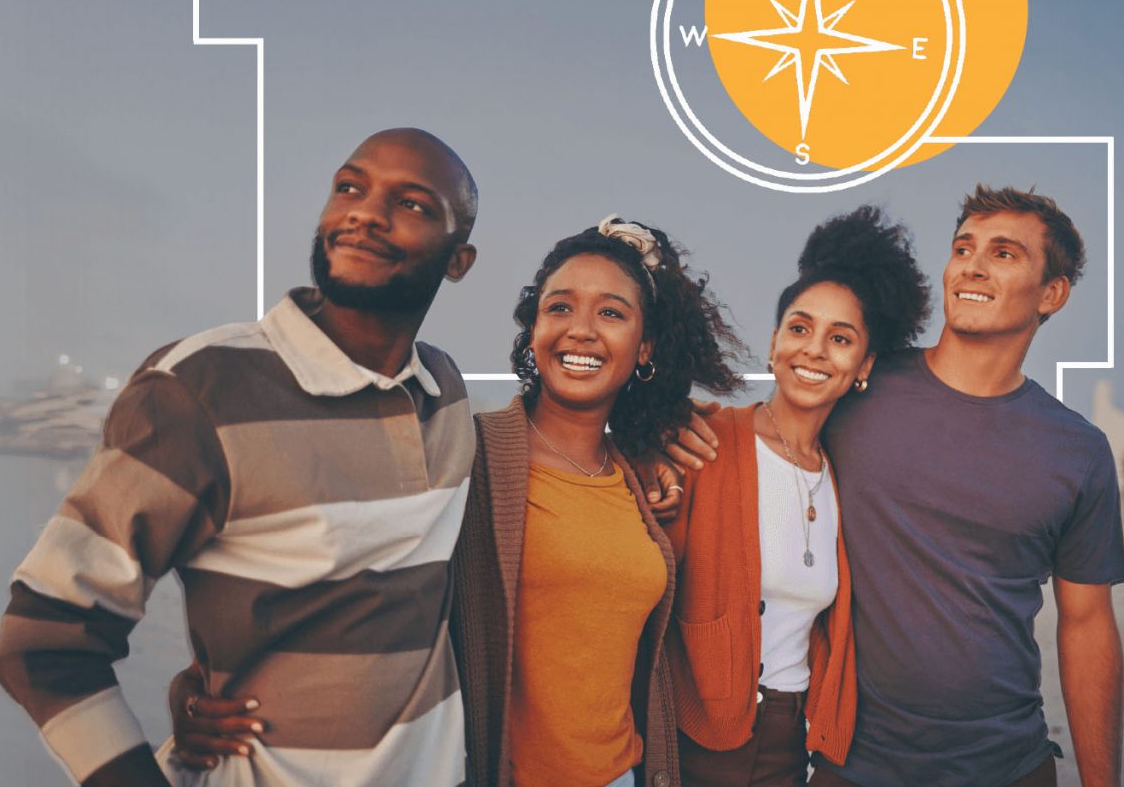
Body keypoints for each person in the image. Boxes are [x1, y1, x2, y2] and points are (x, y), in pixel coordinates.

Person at [0, 129, 484, 785]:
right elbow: (43, 644)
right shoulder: (199, 389)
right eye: (349, 187)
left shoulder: (443, 392)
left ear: (458, 261)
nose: (364, 211)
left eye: (413, 203)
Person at [176, 215, 742, 787]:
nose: (582, 330)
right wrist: (205, 676)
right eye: (560, 307)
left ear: (643, 347)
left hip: (624, 775)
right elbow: (339, 559)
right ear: (534, 329)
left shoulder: (638, 480)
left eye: (612, 313)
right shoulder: (463, 452)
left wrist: (657, 440)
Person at [666, 186, 1124, 787]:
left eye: (1004, 253)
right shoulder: (860, 390)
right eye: (963, 247)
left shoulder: (1078, 452)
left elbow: (1087, 624)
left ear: (1052, 293)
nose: (973, 265)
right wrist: (666, 431)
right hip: (853, 761)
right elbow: (768, 428)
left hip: (1009, 764)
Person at [665, 206, 929, 786]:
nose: (813, 350)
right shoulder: (702, 439)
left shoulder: (843, 475)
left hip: (791, 741)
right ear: (774, 342)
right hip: (695, 735)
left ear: (863, 366)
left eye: (840, 339)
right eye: (800, 328)